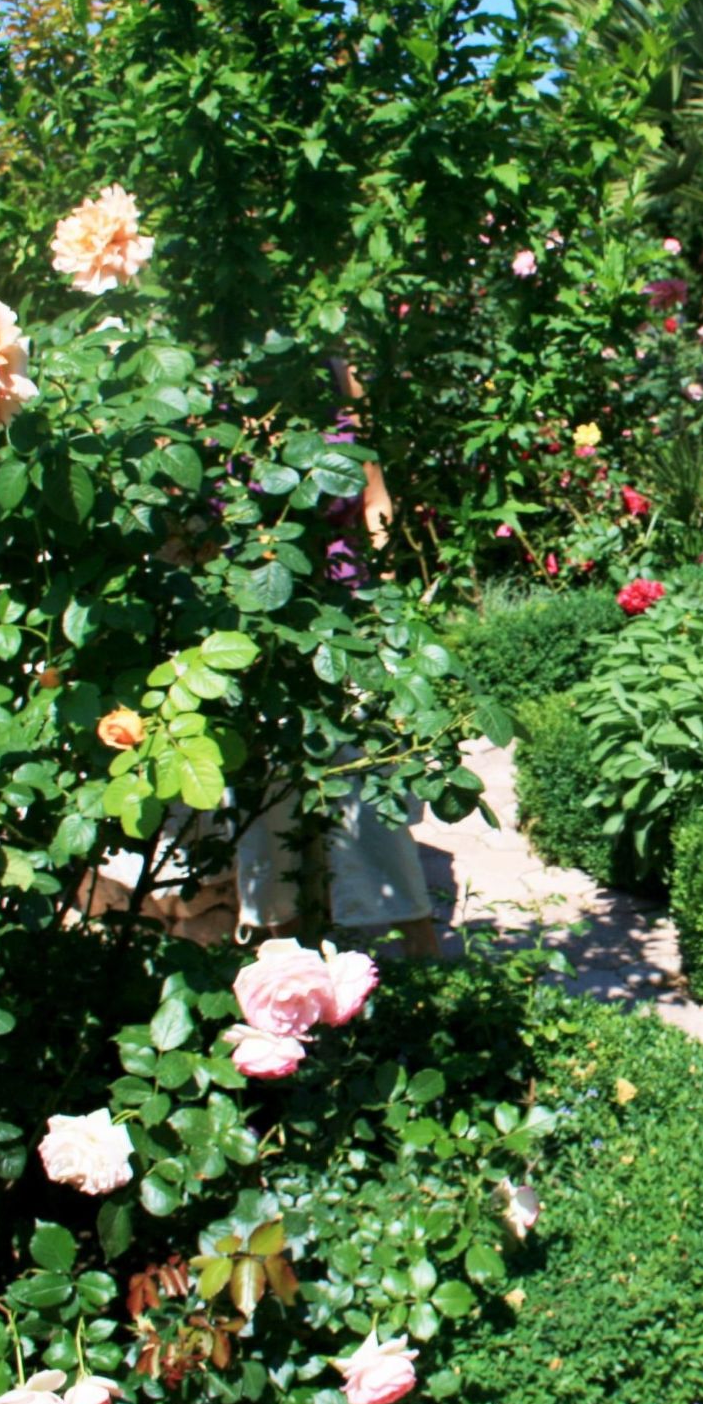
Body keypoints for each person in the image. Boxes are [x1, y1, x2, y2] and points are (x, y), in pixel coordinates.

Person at [232, 356, 438, 957]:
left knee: (370, 778)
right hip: (258, 618)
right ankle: (280, 955)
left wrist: (387, 584)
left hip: (347, 612)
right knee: (268, 787)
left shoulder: (334, 373)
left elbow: (376, 496)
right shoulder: (218, 387)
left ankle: (415, 933)